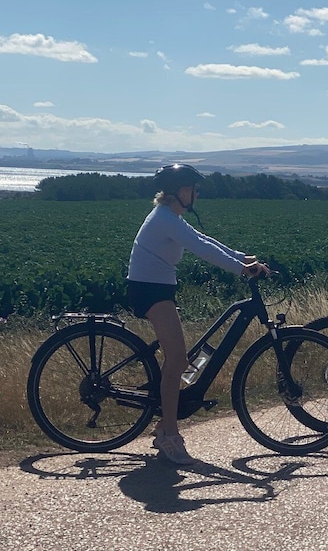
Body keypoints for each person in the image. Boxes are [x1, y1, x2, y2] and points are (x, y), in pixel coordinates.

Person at [126, 163, 268, 464]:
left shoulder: (170, 216)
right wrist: (241, 270)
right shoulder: (165, 218)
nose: (197, 195)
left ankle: (164, 424)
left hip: (157, 287)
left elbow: (204, 241)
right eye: (194, 189)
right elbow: (199, 248)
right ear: (181, 192)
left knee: (180, 358)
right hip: (150, 290)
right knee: (178, 359)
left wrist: (241, 257)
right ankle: (169, 436)